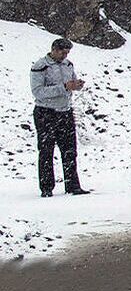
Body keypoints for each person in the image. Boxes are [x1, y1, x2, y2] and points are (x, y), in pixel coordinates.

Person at [30, 38, 89, 197]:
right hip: (45, 113)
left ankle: (73, 185)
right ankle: (47, 188)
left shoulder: (68, 65)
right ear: (54, 49)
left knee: (70, 150)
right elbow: (38, 92)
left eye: (67, 52)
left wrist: (76, 85)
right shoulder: (40, 66)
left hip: (65, 112)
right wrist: (63, 88)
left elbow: (71, 83)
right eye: (63, 52)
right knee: (46, 150)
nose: (65, 55)